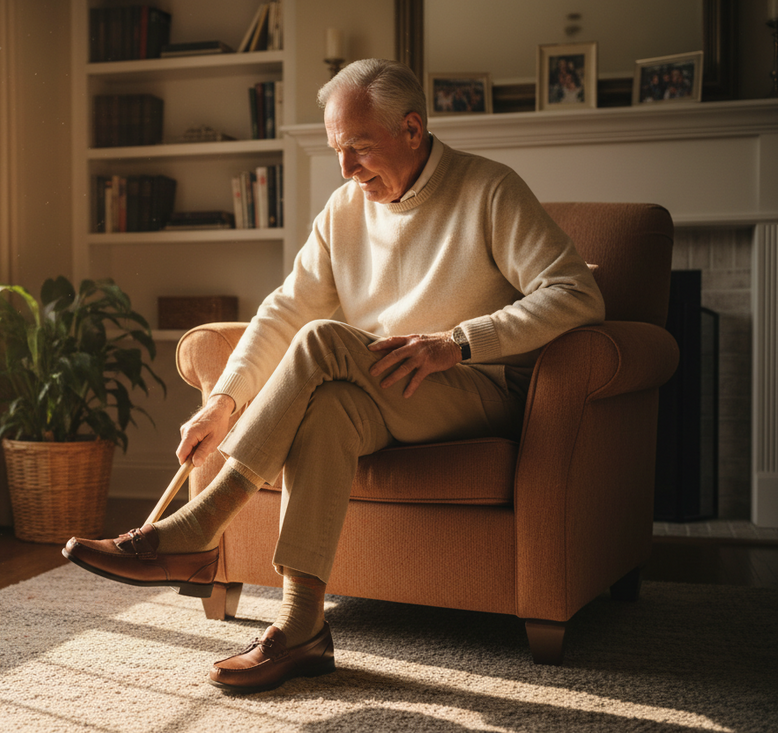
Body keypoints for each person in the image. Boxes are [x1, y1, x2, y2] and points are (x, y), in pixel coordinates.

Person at [64, 58, 604, 693]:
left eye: (359, 149)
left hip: (478, 390)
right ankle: (302, 629)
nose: (346, 170)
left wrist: (457, 342)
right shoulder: (346, 208)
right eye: (336, 150)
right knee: (325, 408)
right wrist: (225, 402)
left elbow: (576, 295)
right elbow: (283, 310)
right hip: (383, 391)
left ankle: (199, 525)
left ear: (412, 129)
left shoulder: (489, 190)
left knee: (322, 341)